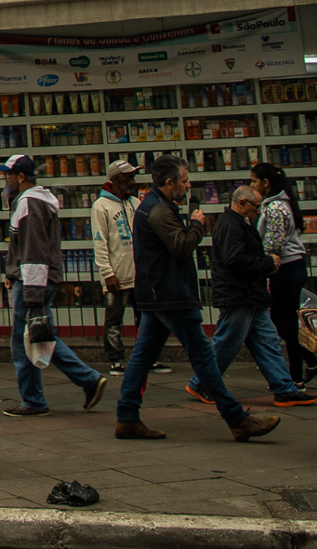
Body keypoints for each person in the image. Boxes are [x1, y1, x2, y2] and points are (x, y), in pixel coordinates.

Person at [114, 155, 279, 443]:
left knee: (142, 358)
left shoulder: (155, 206)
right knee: (203, 356)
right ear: (169, 183)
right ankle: (237, 418)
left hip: (157, 296)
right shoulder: (159, 210)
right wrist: (196, 224)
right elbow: (181, 246)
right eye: (184, 181)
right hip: (172, 296)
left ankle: (127, 416)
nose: (187, 186)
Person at [0, 153, 107, 417]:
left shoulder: (29, 204)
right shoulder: (33, 201)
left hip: (33, 281)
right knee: (39, 336)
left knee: (28, 339)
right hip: (33, 278)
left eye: (8, 175)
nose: (5, 180)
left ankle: (40, 398)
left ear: (20, 177)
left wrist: (31, 290)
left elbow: (33, 249)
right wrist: (13, 272)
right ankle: (84, 381)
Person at [193, 186, 313, 407]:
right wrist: (267, 263)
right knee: (227, 343)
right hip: (239, 296)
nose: (258, 211)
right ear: (242, 204)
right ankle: (202, 382)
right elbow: (235, 260)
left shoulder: (238, 223)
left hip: (250, 296)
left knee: (268, 342)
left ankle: (284, 388)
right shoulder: (231, 225)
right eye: (255, 207)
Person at [92, 160, 168, 375]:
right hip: (117, 274)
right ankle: (116, 359)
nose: (133, 182)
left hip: (141, 274)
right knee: (114, 320)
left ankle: (149, 358)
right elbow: (100, 241)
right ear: (115, 179)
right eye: (128, 177)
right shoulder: (101, 206)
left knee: (146, 318)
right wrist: (107, 273)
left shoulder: (136, 203)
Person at [252, 162, 317, 386]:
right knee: (277, 320)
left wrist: (261, 260)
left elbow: (274, 242)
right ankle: (311, 361)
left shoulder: (275, 207)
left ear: (265, 183)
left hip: (286, 268)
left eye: (254, 181)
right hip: (291, 267)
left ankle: (297, 375)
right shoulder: (278, 204)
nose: (252, 185)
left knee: (286, 322)